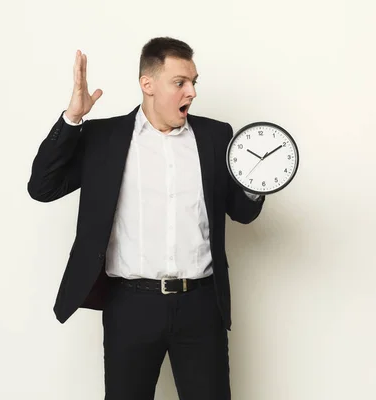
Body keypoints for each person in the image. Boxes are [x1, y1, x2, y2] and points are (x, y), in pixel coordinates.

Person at [27, 36, 265, 399]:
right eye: (180, 83)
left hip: (201, 305)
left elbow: (243, 212)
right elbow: (42, 186)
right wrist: (73, 118)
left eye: (194, 82)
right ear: (147, 84)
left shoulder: (216, 137)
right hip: (130, 305)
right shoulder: (103, 138)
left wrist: (257, 180)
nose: (192, 93)